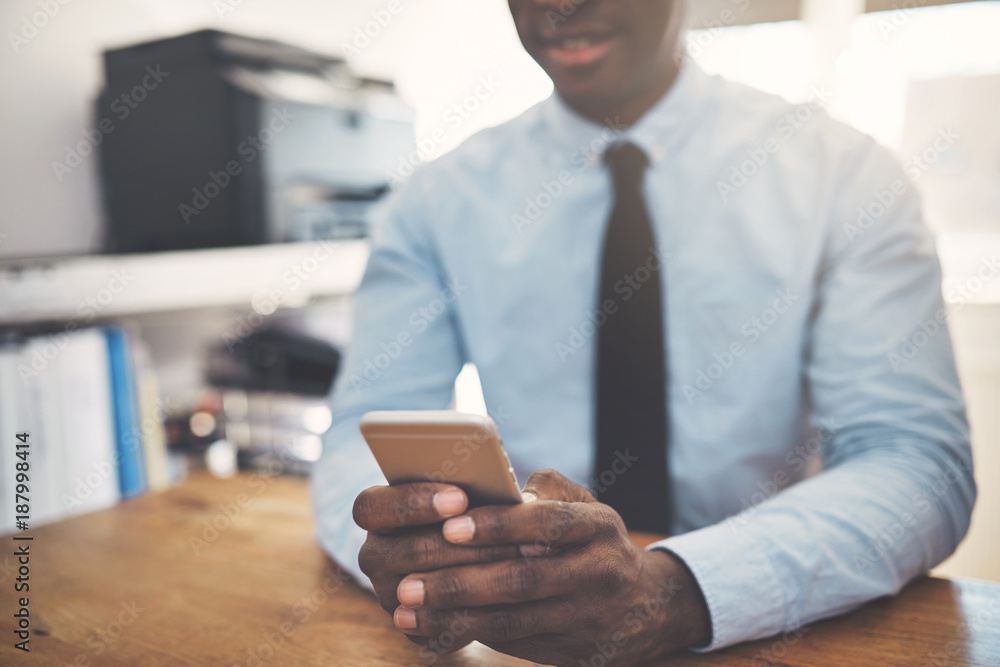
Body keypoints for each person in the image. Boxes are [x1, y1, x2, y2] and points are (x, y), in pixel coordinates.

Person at [312, 0, 976, 664]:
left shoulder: (846, 176)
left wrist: (682, 588)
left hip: (771, 638)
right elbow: (357, 437)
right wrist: (421, 547)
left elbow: (916, 462)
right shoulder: (434, 202)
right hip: (521, 639)